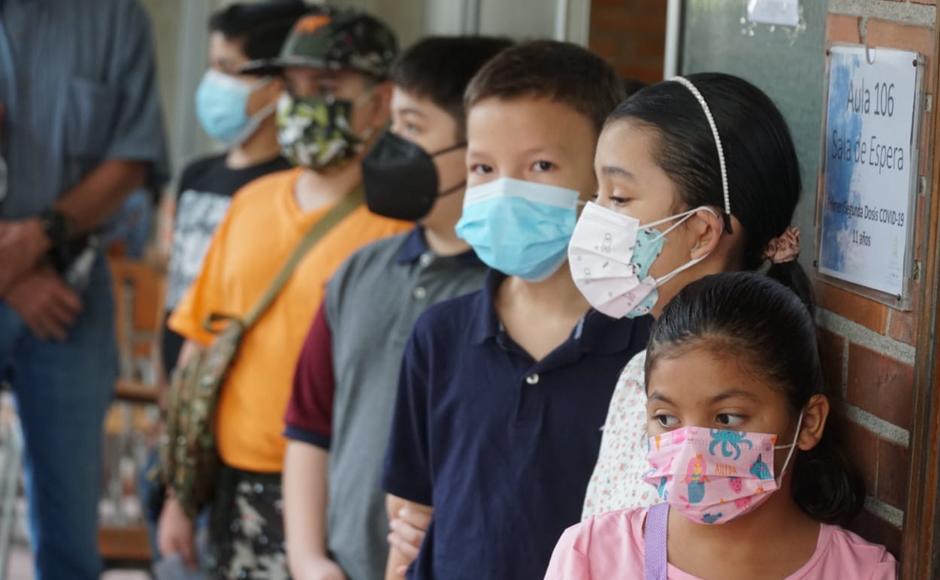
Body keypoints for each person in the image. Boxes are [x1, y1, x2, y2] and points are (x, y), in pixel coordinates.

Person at [380, 41, 650, 580]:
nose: (505, 191)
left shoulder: (652, 347)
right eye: (483, 167)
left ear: (604, 179)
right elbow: (410, 521)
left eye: (542, 165)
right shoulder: (440, 336)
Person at [157, 9, 409, 579]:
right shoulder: (250, 202)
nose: (304, 105)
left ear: (381, 100)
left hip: (342, 498)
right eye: (292, 89)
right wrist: (180, 491)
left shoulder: (399, 224)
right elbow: (200, 348)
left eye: (326, 88)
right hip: (232, 491)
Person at [282, 35, 512, 580]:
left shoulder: (511, 293)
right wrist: (309, 559)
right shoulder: (358, 272)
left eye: (413, 126)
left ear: (474, 148)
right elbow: (308, 426)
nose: (391, 145)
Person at [545, 272, 896, 579]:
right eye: (666, 419)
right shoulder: (591, 556)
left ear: (809, 423)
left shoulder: (863, 572)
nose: (689, 448)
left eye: (726, 418)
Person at [577, 73, 814, 518]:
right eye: (597, 194)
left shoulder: (749, 384)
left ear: (703, 231)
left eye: (620, 197)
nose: (594, 216)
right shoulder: (638, 373)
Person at [0, 0, 168, 577]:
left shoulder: (114, 17)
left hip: (69, 288)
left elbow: (134, 157)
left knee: (71, 531)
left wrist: (30, 244)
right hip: (30, 277)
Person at [162, 0, 310, 379]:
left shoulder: (293, 186)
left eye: (227, 68)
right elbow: (176, 288)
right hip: (184, 380)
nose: (213, 82)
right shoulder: (197, 175)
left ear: (275, 87)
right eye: (212, 65)